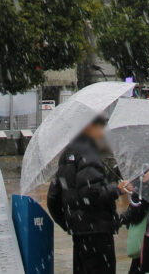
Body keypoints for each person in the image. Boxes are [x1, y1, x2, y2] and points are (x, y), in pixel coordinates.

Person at [46, 117, 124, 274]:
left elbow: (53, 198)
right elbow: (91, 193)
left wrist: (71, 223)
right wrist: (117, 189)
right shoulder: (89, 153)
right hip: (97, 233)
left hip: (81, 234)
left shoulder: (68, 153)